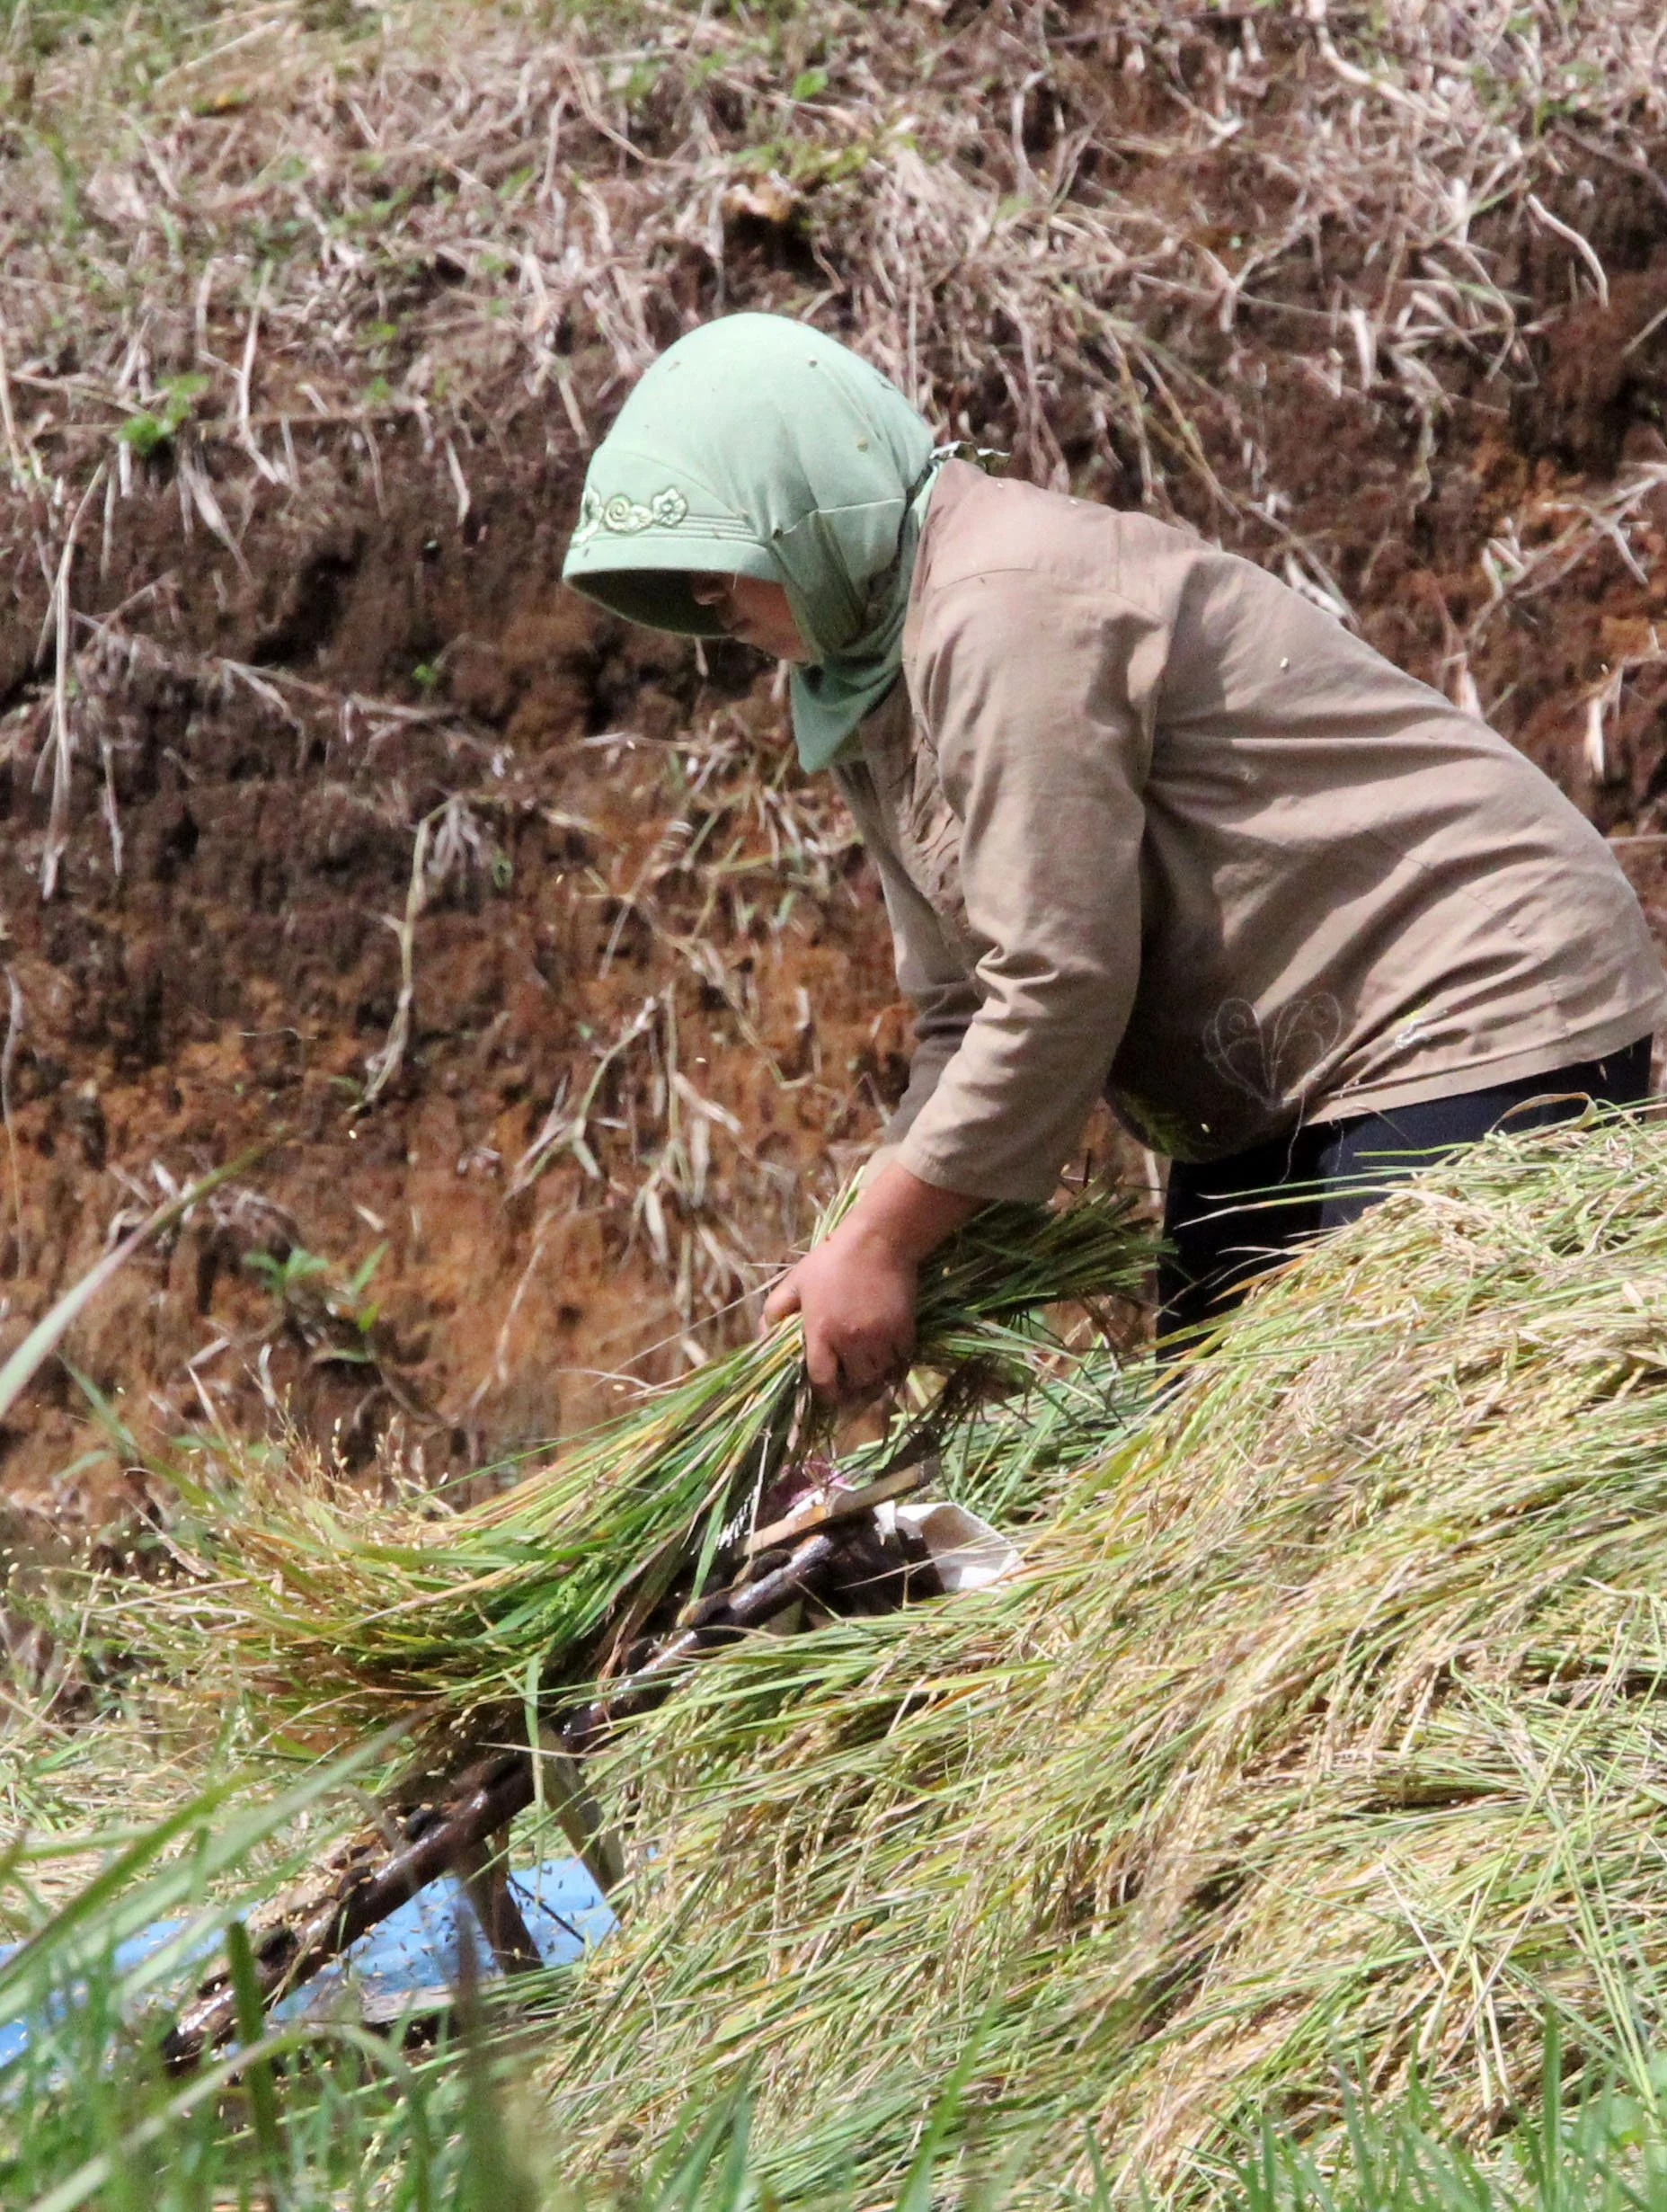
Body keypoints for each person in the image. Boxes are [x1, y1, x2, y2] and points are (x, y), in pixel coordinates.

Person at [563, 313, 1666, 1396]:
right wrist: (884, 1230)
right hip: (1281, 1078)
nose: (709, 605)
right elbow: (963, 1007)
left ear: (798, 506)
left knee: (1373, 1430)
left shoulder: (997, 609)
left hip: (1468, 994)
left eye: (716, 563)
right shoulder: (861, 672)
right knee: (1201, 1468)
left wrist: (888, 1243)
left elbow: (1060, 979)